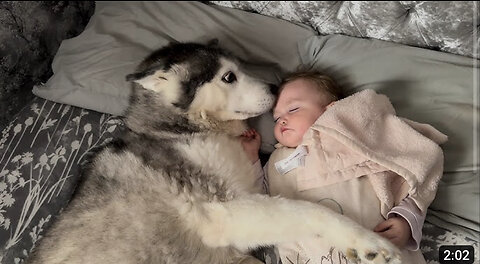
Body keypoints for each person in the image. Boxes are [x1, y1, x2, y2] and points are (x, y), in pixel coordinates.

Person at [240, 70, 447, 264]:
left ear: (331, 110)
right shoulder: (278, 160)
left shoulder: (356, 139)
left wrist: (406, 222)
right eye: (276, 118)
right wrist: (251, 158)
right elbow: (259, 198)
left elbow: (411, 176)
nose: (282, 120)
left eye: (293, 109)